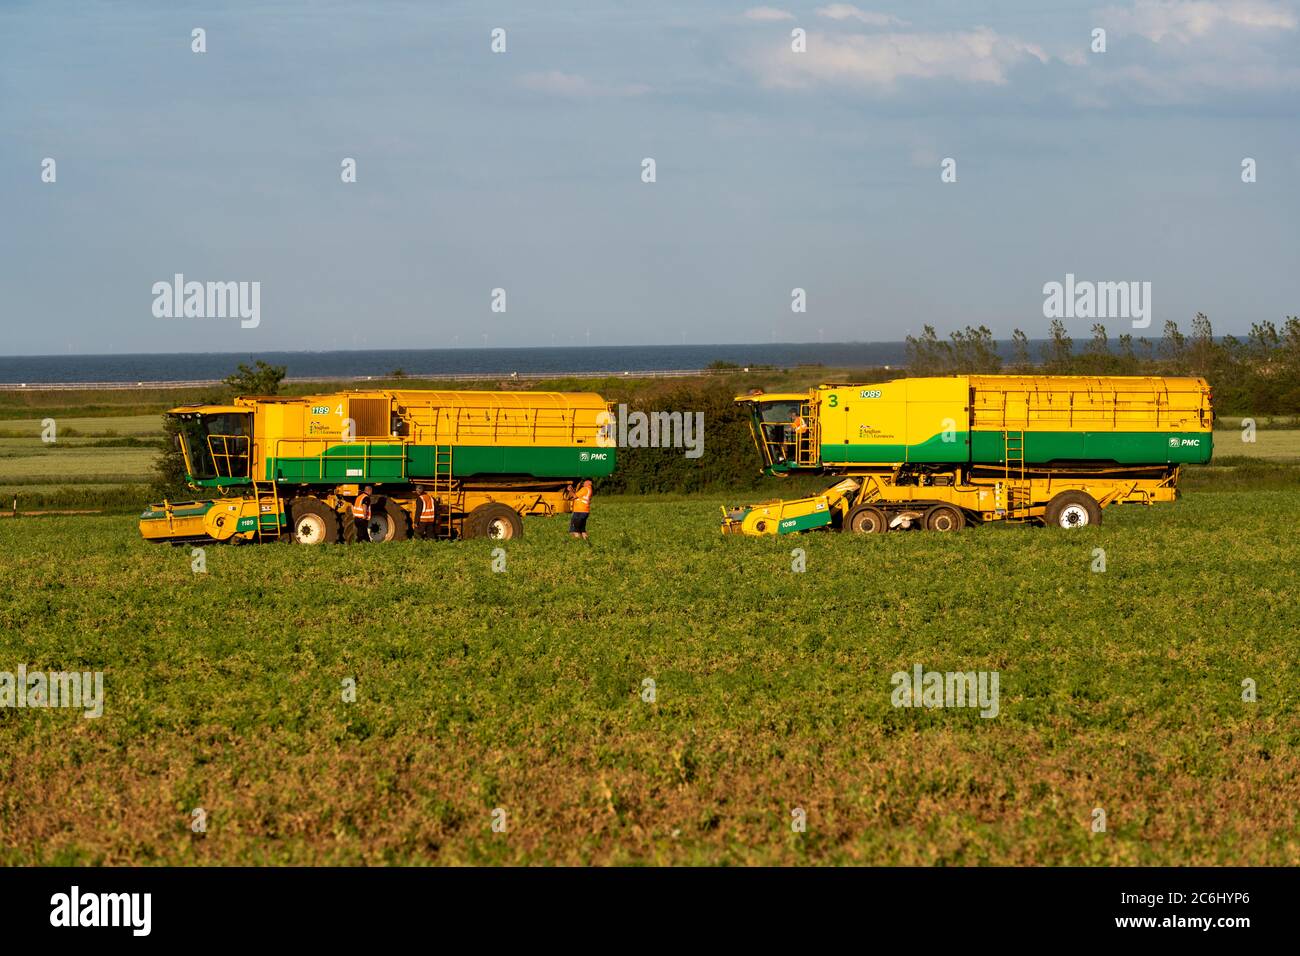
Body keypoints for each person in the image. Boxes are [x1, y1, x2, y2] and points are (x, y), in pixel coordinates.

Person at [567, 478, 593, 543]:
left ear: (588, 482)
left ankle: (578, 544)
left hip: (579, 511)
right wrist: (572, 490)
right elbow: (578, 495)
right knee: (582, 530)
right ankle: (588, 543)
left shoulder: (584, 489)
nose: (583, 483)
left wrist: (570, 490)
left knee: (574, 530)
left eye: (585, 481)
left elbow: (575, 496)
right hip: (585, 511)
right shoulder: (589, 489)